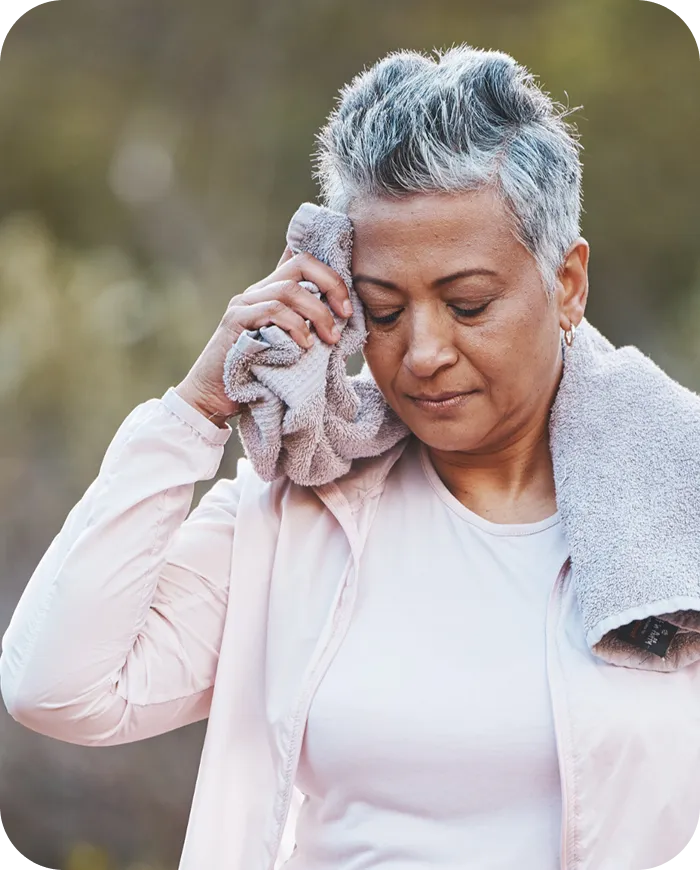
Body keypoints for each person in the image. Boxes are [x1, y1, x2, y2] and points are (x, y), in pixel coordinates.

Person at [1, 44, 697, 870]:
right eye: (384, 310)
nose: (424, 350)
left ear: (569, 282)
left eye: (468, 303)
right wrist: (194, 411)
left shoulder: (678, 503)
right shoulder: (292, 510)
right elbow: (57, 689)